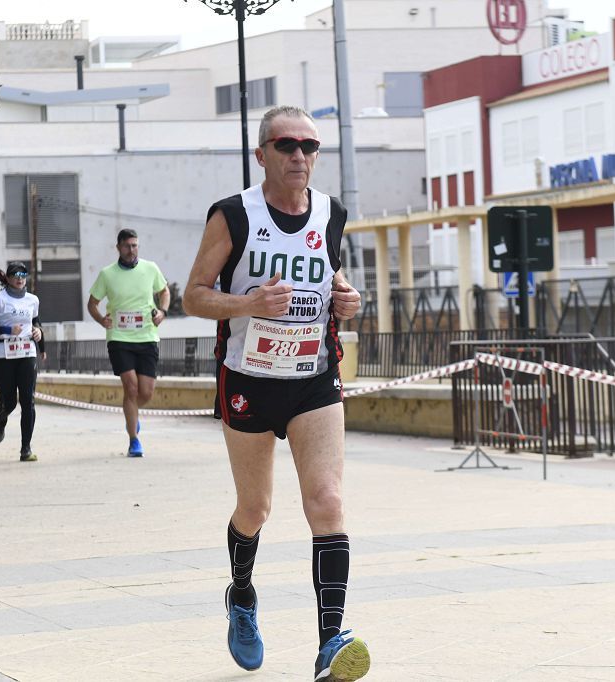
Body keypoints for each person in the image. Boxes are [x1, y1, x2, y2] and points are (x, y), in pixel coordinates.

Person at [182, 105, 368, 681]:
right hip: (249, 380)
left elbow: (328, 273)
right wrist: (248, 304)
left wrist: (346, 296)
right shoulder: (234, 215)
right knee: (256, 507)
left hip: (313, 376)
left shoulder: (332, 214)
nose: (299, 156)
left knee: (328, 502)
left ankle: (331, 641)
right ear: (261, 155)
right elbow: (191, 296)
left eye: (310, 147)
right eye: (286, 145)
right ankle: (241, 594)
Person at [87, 228, 169, 457]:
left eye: (134, 245)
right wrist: (102, 320)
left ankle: (131, 416)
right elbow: (92, 303)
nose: (131, 250)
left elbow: (164, 292)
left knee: (146, 393)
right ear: (118, 248)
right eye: (127, 246)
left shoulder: (150, 268)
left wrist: (162, 311)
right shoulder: (107, 274)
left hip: (147, 336)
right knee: (131, 387)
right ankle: (134, 440)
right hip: (119, 338)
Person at [0, 262, 44, 462]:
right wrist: (7, 330)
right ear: (7, 278)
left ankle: (26, 448)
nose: (19, 278)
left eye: (23, 274)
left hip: (26, 352)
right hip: (3, 354)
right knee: (9, 401)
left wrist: (40, 335)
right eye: (15, 275)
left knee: (28, 401)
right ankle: (2, 417)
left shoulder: (32, 300)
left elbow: (36, 323)